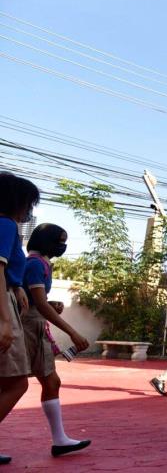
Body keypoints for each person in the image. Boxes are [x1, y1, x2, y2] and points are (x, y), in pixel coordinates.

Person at [21, 223, 91, 457]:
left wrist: (50, 305)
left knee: (51, 382)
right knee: (13, 386)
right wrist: (72, 332)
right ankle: (60, 439)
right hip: (29, 328)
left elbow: (35, 301)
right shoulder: (34, 265)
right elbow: (38, 304)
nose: (62, 246)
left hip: (34, 326)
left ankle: (60, 440)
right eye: (59, 241)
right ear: (47, 242)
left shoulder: (38, 264)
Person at [0, 172, 41, 466]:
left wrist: (16, 287)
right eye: (28, 203)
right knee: (17, 383)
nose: (29, 211)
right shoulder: (6, 225)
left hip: (7, 295)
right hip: (1, 305)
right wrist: (5, 319)